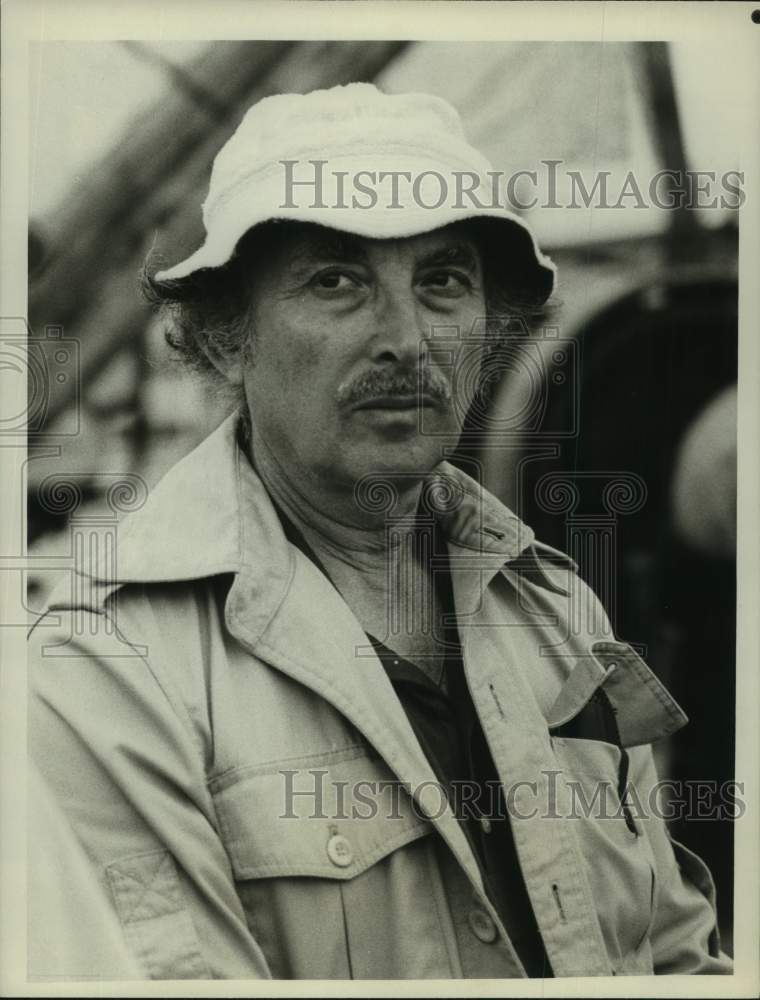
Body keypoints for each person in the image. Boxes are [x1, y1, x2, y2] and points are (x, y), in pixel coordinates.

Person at [28, 83, 732, 980]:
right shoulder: (108, 672)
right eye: (336, 280)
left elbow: (674, 952)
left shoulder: (557, 607)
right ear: (223, 339)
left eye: (442, 281)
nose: (407, 339)